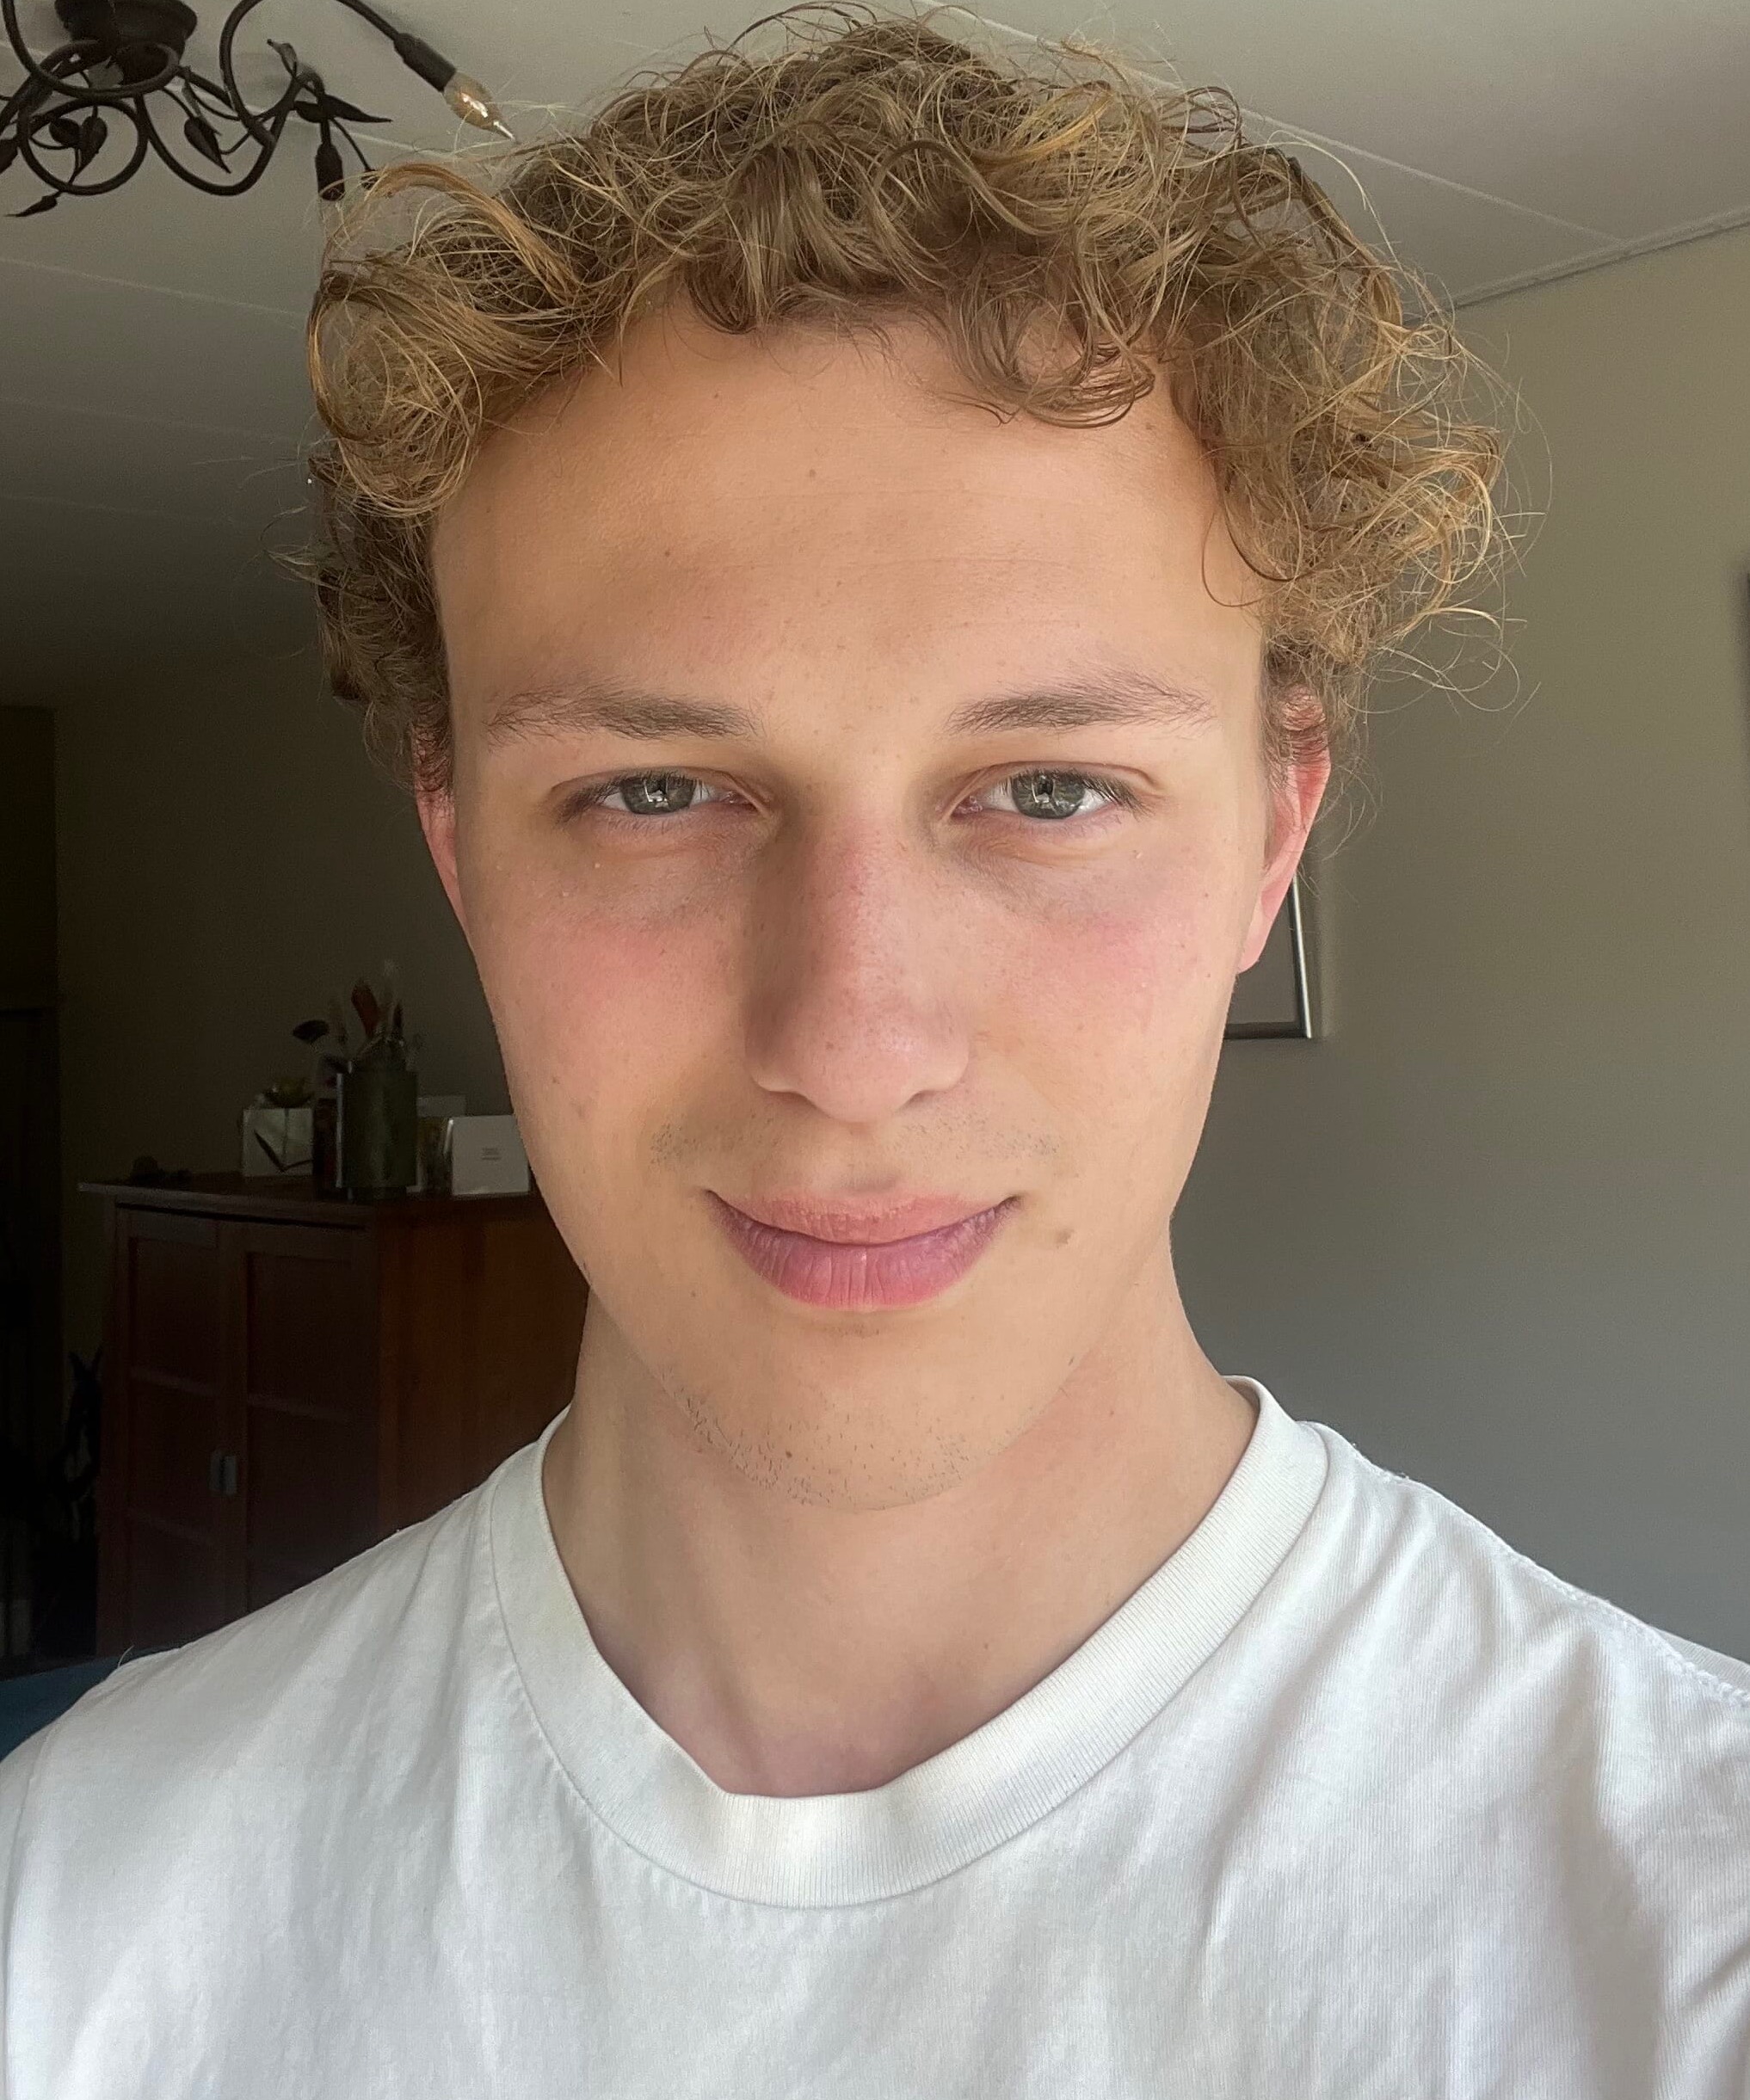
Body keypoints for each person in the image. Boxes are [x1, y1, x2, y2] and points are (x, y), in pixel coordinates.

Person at [3, 13, 1747, 2096]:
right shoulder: (73, 1905)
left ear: (1273, 836)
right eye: (654, 793)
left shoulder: (1682, 1936)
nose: (850, 1045)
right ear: (461, 852)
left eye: (1050, 790)